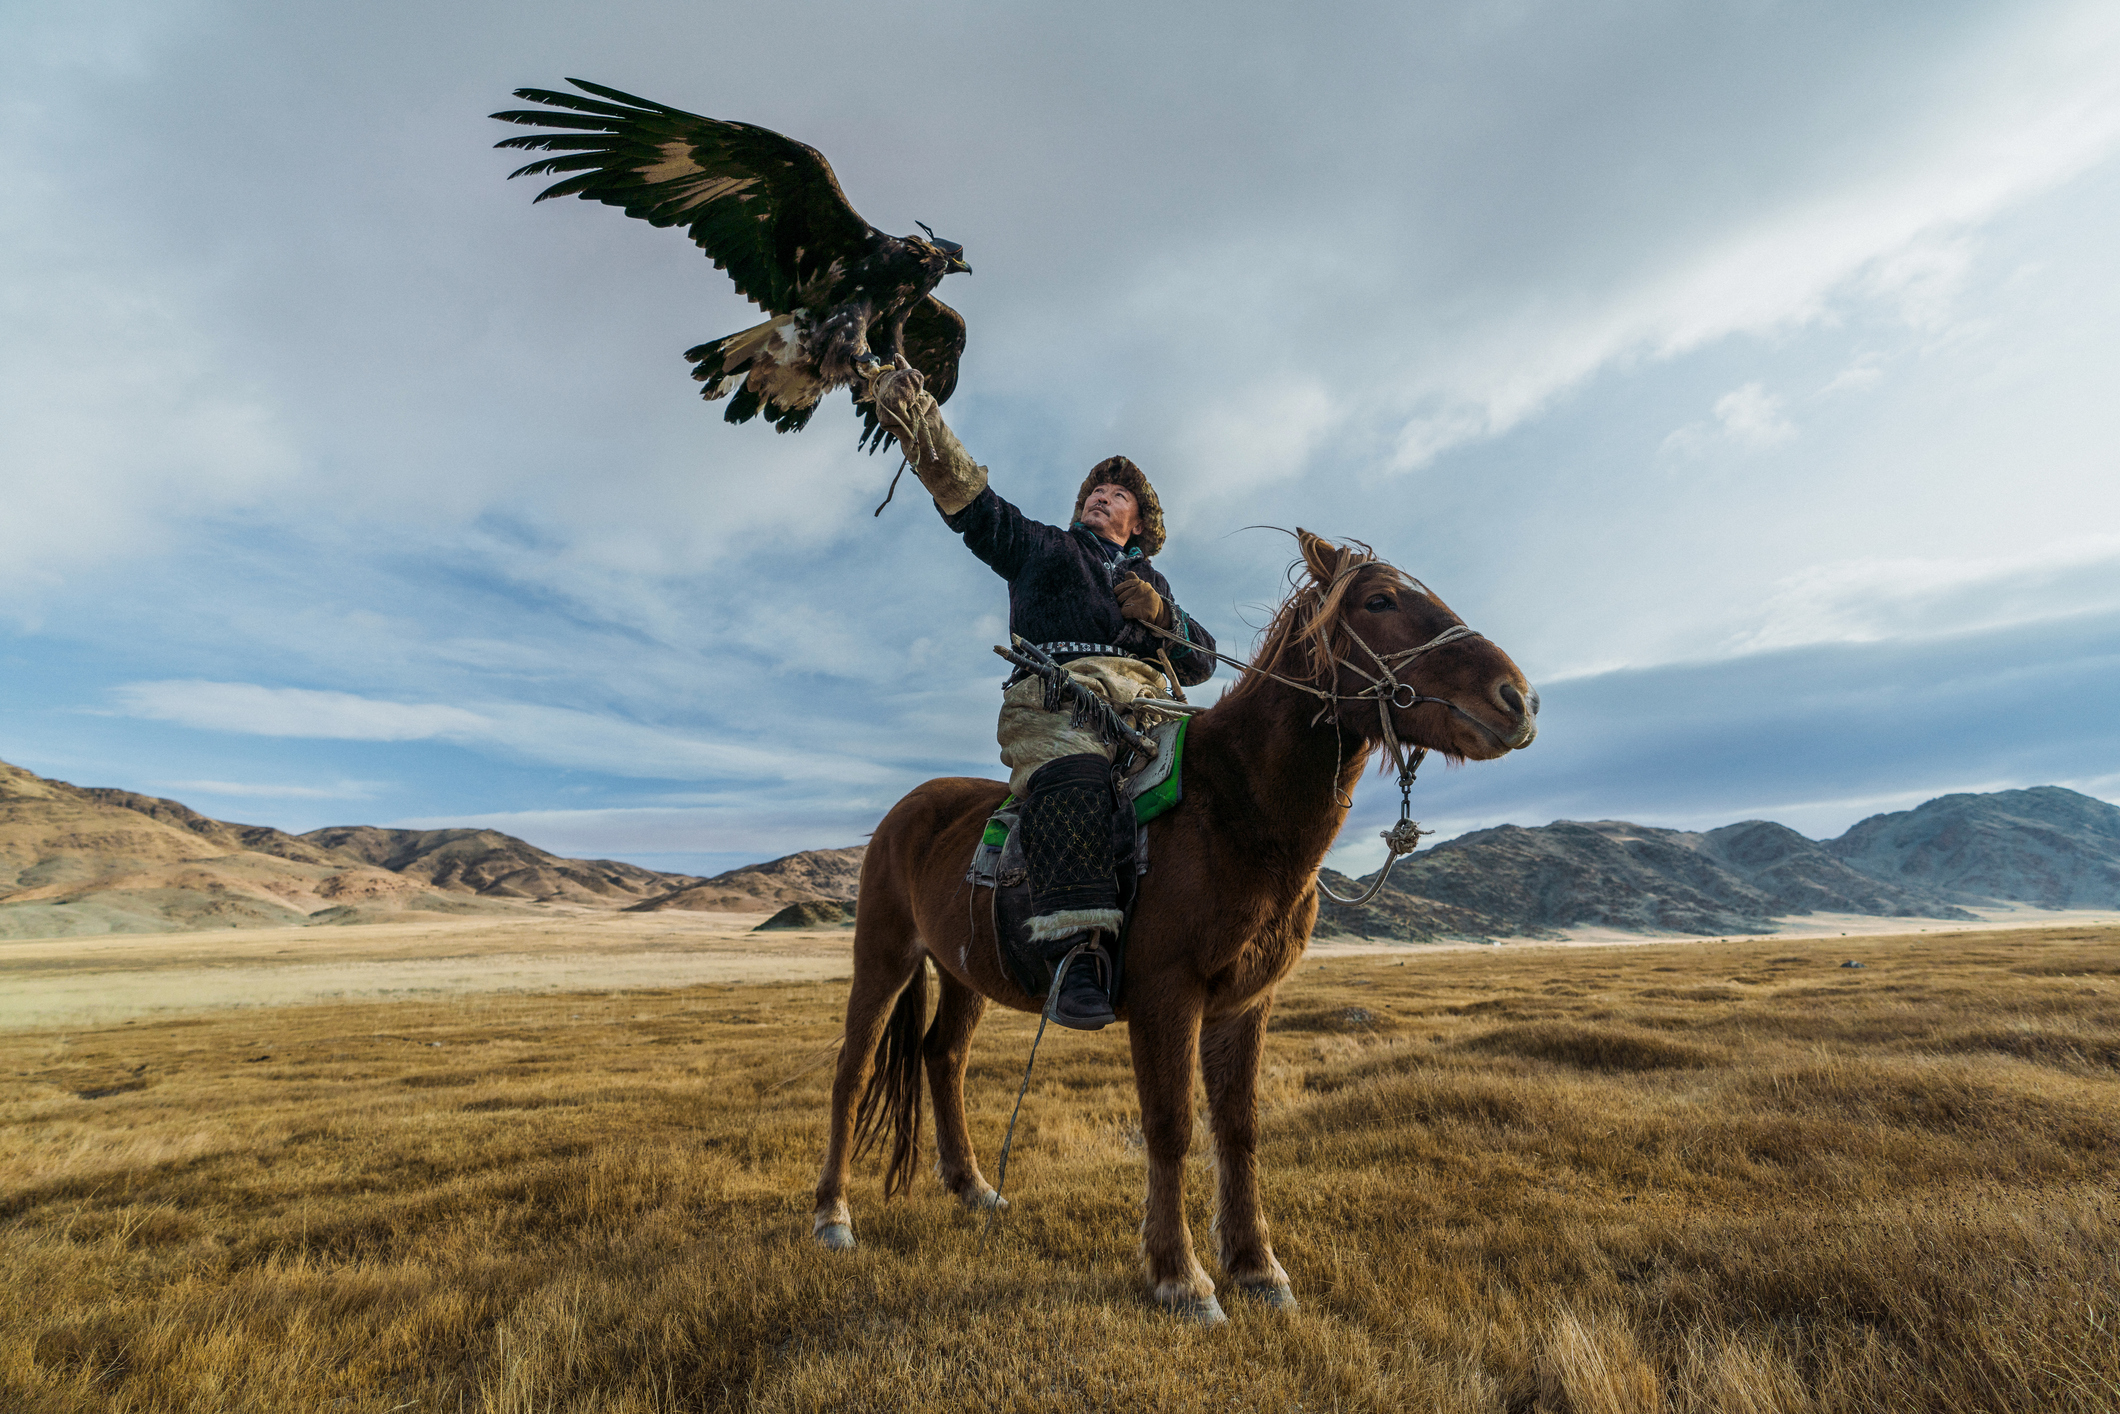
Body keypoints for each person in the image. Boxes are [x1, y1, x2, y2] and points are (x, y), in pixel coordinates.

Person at [869, 373, 1216, 1028]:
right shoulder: (1043, 548)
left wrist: (1164, 616)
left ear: (1140, 524)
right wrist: (919, 425)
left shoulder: (1154, 582)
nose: (1100, 497)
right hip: (1060, 701)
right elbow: (976, 506)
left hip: (1149, 711)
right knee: (1076, 776)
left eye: (1116, 494)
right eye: (1093, 492)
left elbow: (1201, 663)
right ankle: (1076, 954)